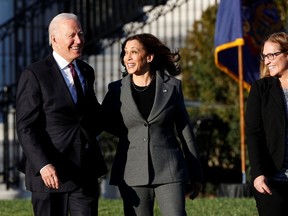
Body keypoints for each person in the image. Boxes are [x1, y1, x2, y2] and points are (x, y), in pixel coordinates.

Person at [16, 13, 107, 216]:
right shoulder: (35, 74)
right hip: (50, 173)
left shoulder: (86, 71)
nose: (79, 40)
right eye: (72, 35)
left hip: (83, 170)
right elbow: (26, 127)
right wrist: (43, 164)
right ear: (54, 39)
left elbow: (92, 116)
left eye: (81, 34)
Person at [101, 33, 203, 216]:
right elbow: (102, 121)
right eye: (125, 53)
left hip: (169, 169)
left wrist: (196, 175)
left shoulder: (172, 86)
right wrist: (129, 133)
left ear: (149, 57)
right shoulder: (116, 90)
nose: (128, 57)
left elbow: (185, 131)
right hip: (131, 171)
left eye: (134, 52)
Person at [246, 32, 288, 216]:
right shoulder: (260, 90)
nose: (267, 61)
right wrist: (257, 175)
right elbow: (253, 134)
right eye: (265, 56)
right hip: (271, 179)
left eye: (272, 55)